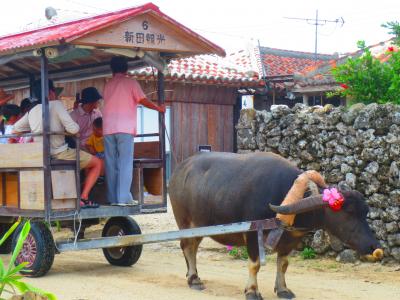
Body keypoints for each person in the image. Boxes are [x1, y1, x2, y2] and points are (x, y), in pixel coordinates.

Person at [13, 79, 102, 208]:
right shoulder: (56, 105)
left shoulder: (32, 110)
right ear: (51, 92)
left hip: (41, 155)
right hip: (60, 153)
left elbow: (15, 130)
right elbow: (74, 129)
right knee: (97, 163)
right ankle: (84, 198)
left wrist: (36, 130)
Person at [103, 56, 165, 206]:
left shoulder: (108, 85)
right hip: (124, 128)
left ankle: (112, 198)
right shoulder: (131, 82)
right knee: (125, 163)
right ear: (126, 69)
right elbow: (143, 100)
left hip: (108, 128)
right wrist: (159, 108)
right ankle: (123, 198)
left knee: (111, 163)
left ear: (112, 69)